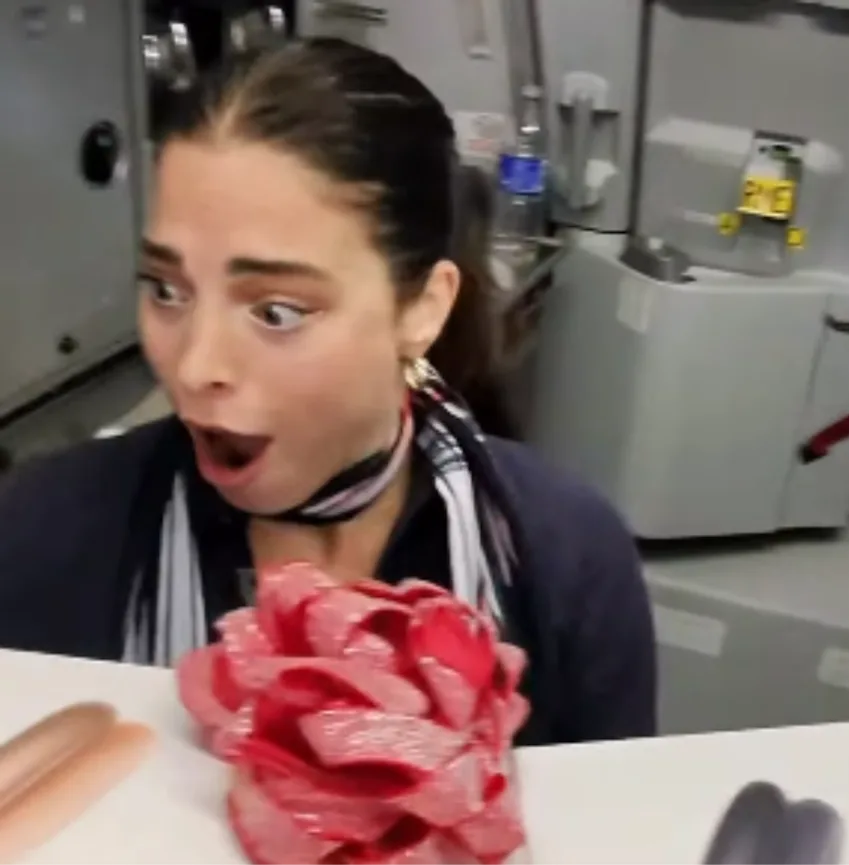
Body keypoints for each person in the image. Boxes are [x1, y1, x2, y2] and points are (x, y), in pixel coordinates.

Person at [0, 38, 656, 746]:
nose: (194, 366)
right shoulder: (45, 535)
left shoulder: (563, 563)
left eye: (277, 311)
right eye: (167, 290)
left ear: (422, 309)